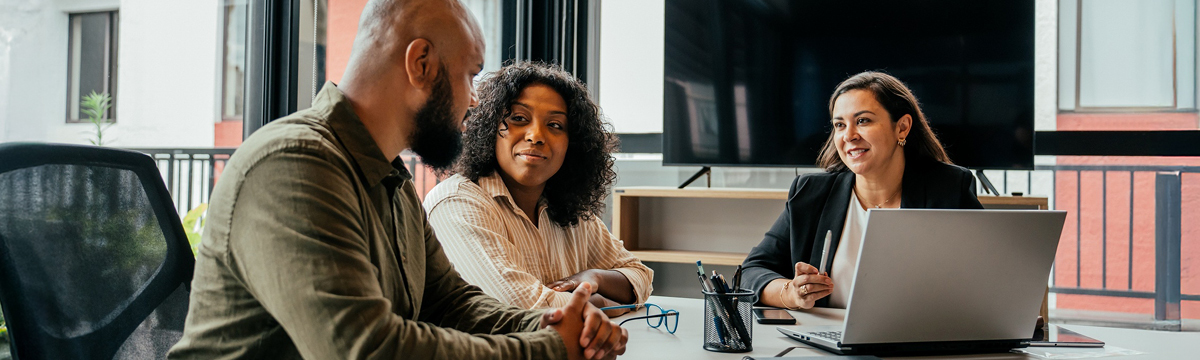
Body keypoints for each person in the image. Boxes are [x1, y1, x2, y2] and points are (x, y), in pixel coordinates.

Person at [167, 1, 626, 359]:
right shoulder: (294, 165)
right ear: (421, 63)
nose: (472, 104)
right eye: (469, 75)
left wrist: (555, 322)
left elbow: (450, 303)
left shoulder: (392, 179)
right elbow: (366, 350)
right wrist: (549, 349)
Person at [423, 62, 653, 316]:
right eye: (519, 118)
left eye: (555, 125)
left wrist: (593, 277)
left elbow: (640, 276)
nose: (536, 136)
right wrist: (600, 303)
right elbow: (524, 308)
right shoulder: (456, 203)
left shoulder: (569, 209)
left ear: (573, 144)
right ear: (487, 128)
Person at [740, 71, 983, 311]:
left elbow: (989, 275)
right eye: (839, 125)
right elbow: (750, 273)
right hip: (828, 342)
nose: (849, 136)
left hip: (917, 342)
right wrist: (792, 293)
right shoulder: (810, 193)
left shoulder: (949, 188)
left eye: (863, 121)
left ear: (902, 127)